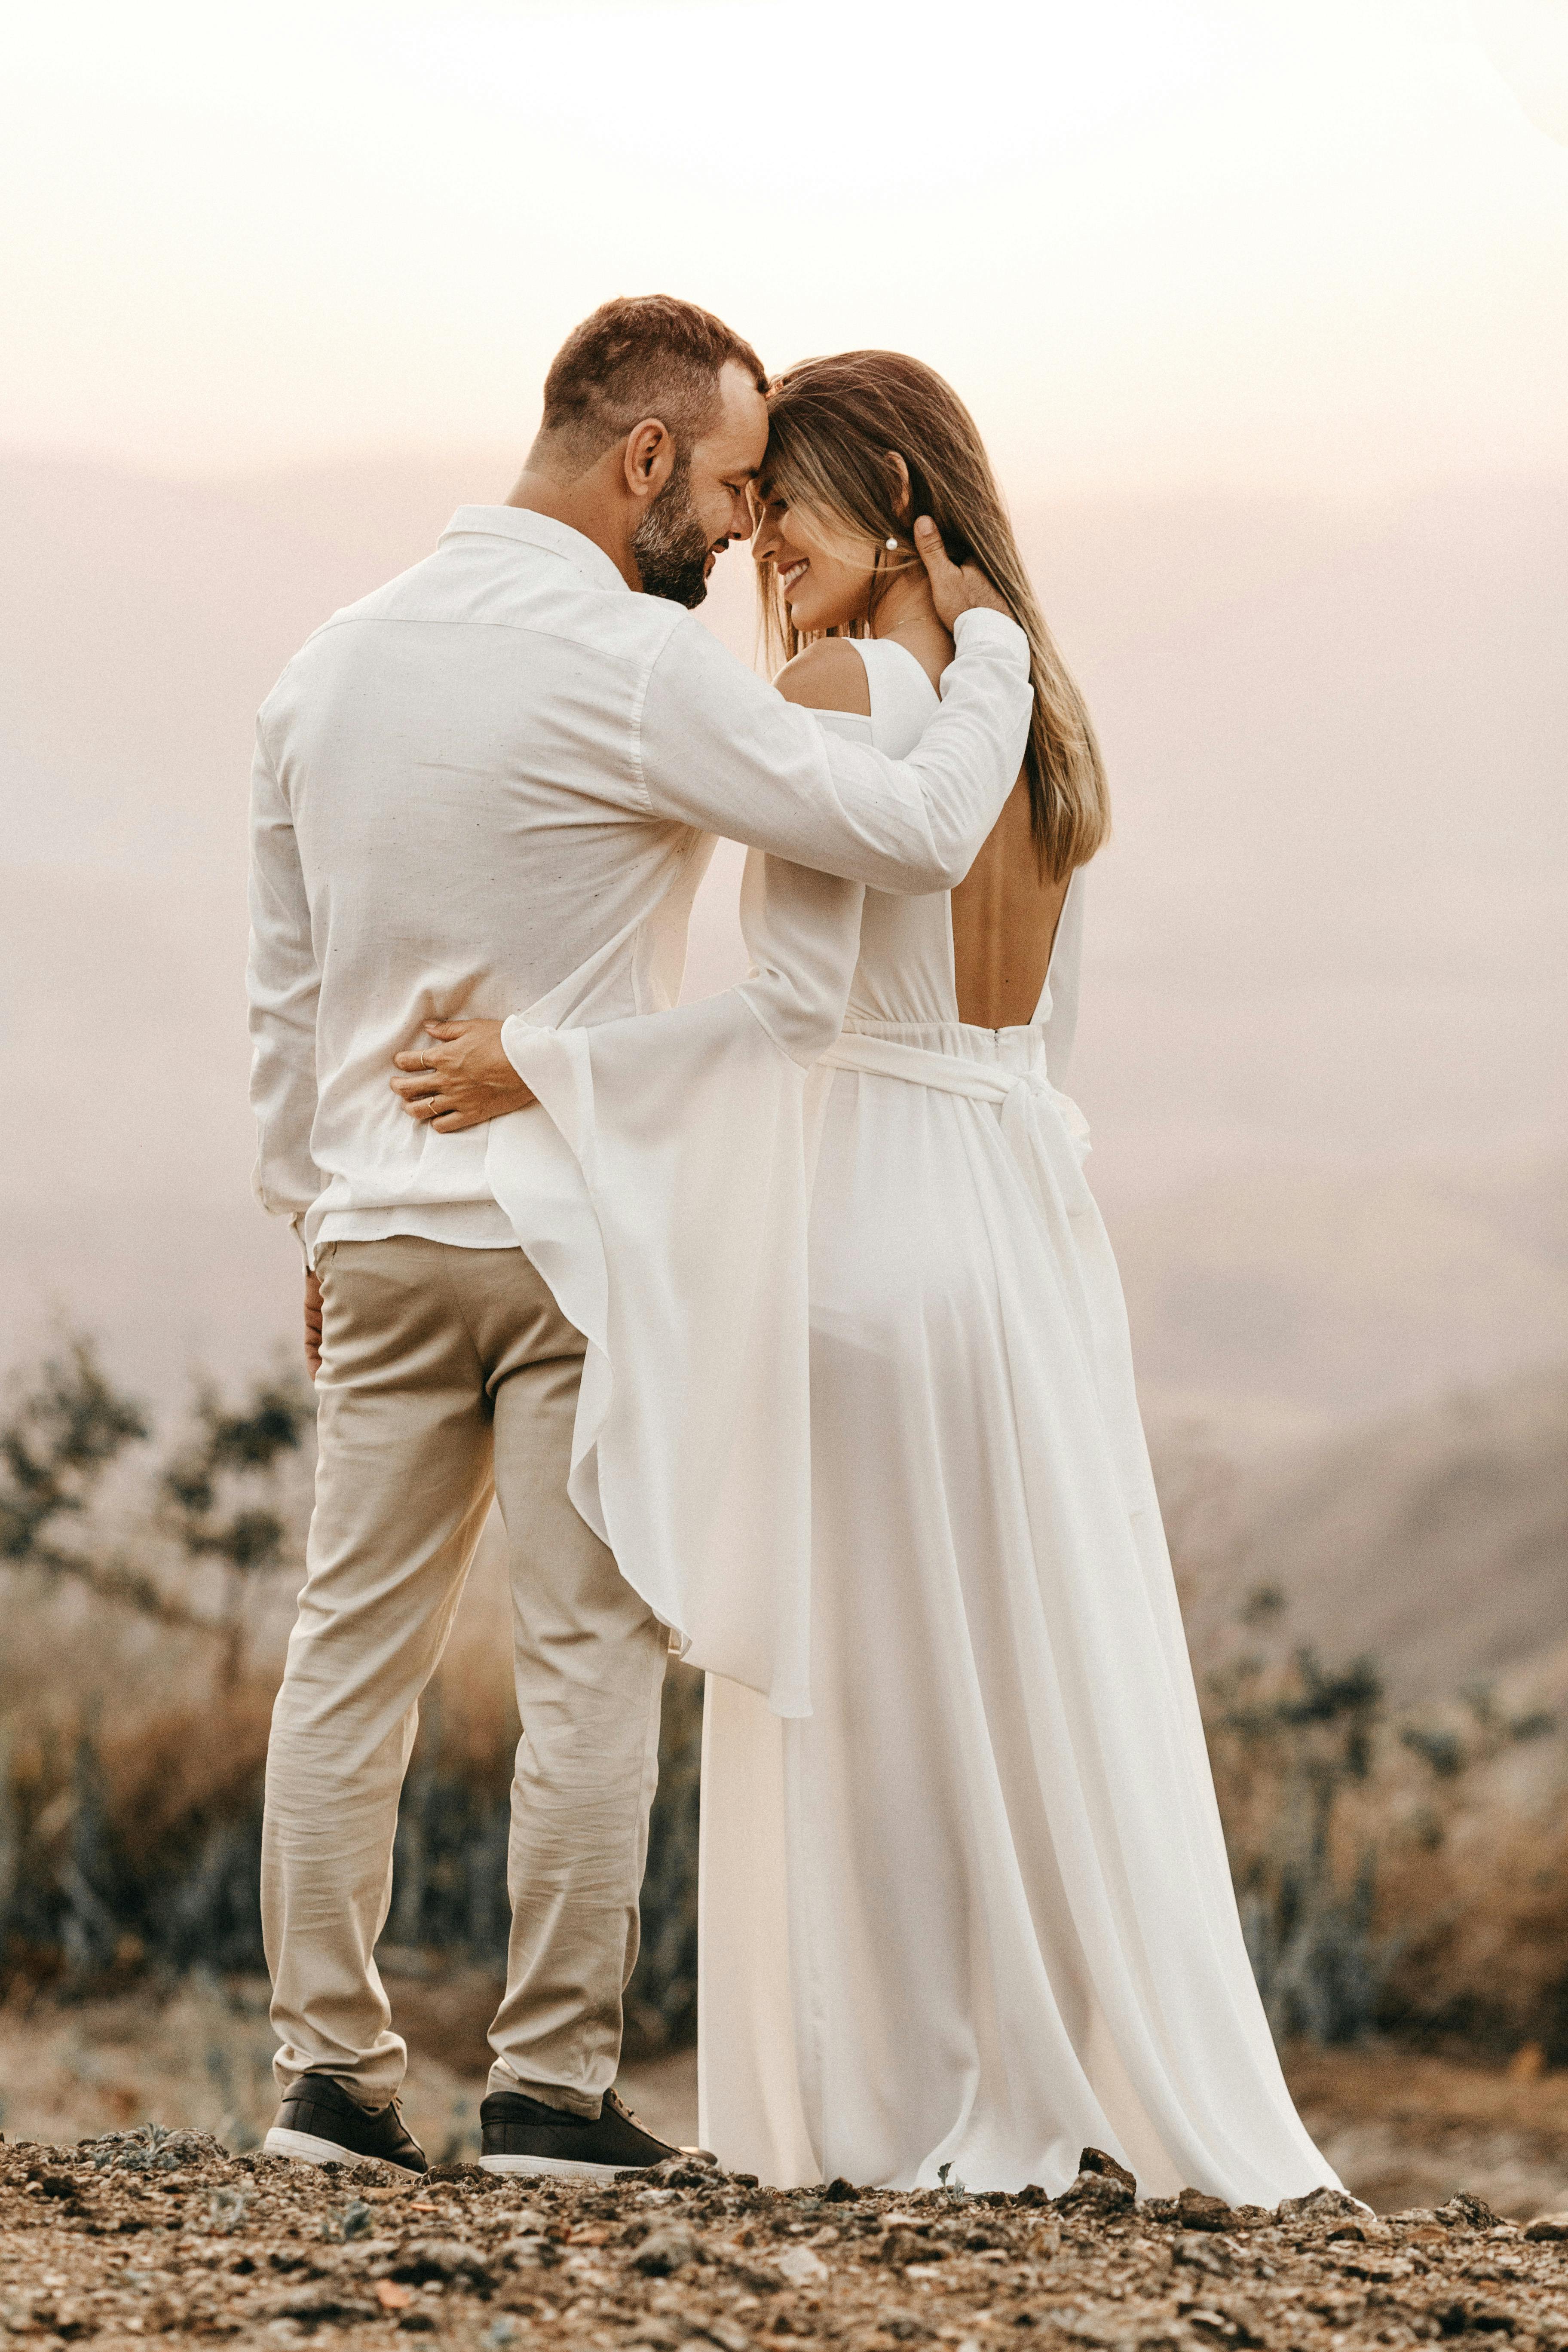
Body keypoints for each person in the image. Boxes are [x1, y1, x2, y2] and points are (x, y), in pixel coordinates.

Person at [399, 351, 1342, 2202]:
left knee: (865, 1694)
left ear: (899, 496)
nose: (760, 551)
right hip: (1021, 1226)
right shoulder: (1045, 715)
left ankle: (887, 2107)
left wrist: (550, 1061)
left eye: (792, 510)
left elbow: (794, 1013)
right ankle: (1055, 2079)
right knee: (1016, 1673)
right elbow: (1039, 1035)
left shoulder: (847, 693)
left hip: (874, 1219)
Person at [247, 297, 1034, 2181]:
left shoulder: (324, 666)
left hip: (374, 1228)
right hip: (566, 1239)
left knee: (344, 1656)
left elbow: (285, 1000)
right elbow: (910, 837)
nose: (744, 530)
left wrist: (312, 1213)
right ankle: (545, 2089)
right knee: (588, 1656)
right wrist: (987, 645)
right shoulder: (633, 670)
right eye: (738, 479)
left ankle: (326, 2088)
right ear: (648, 460)